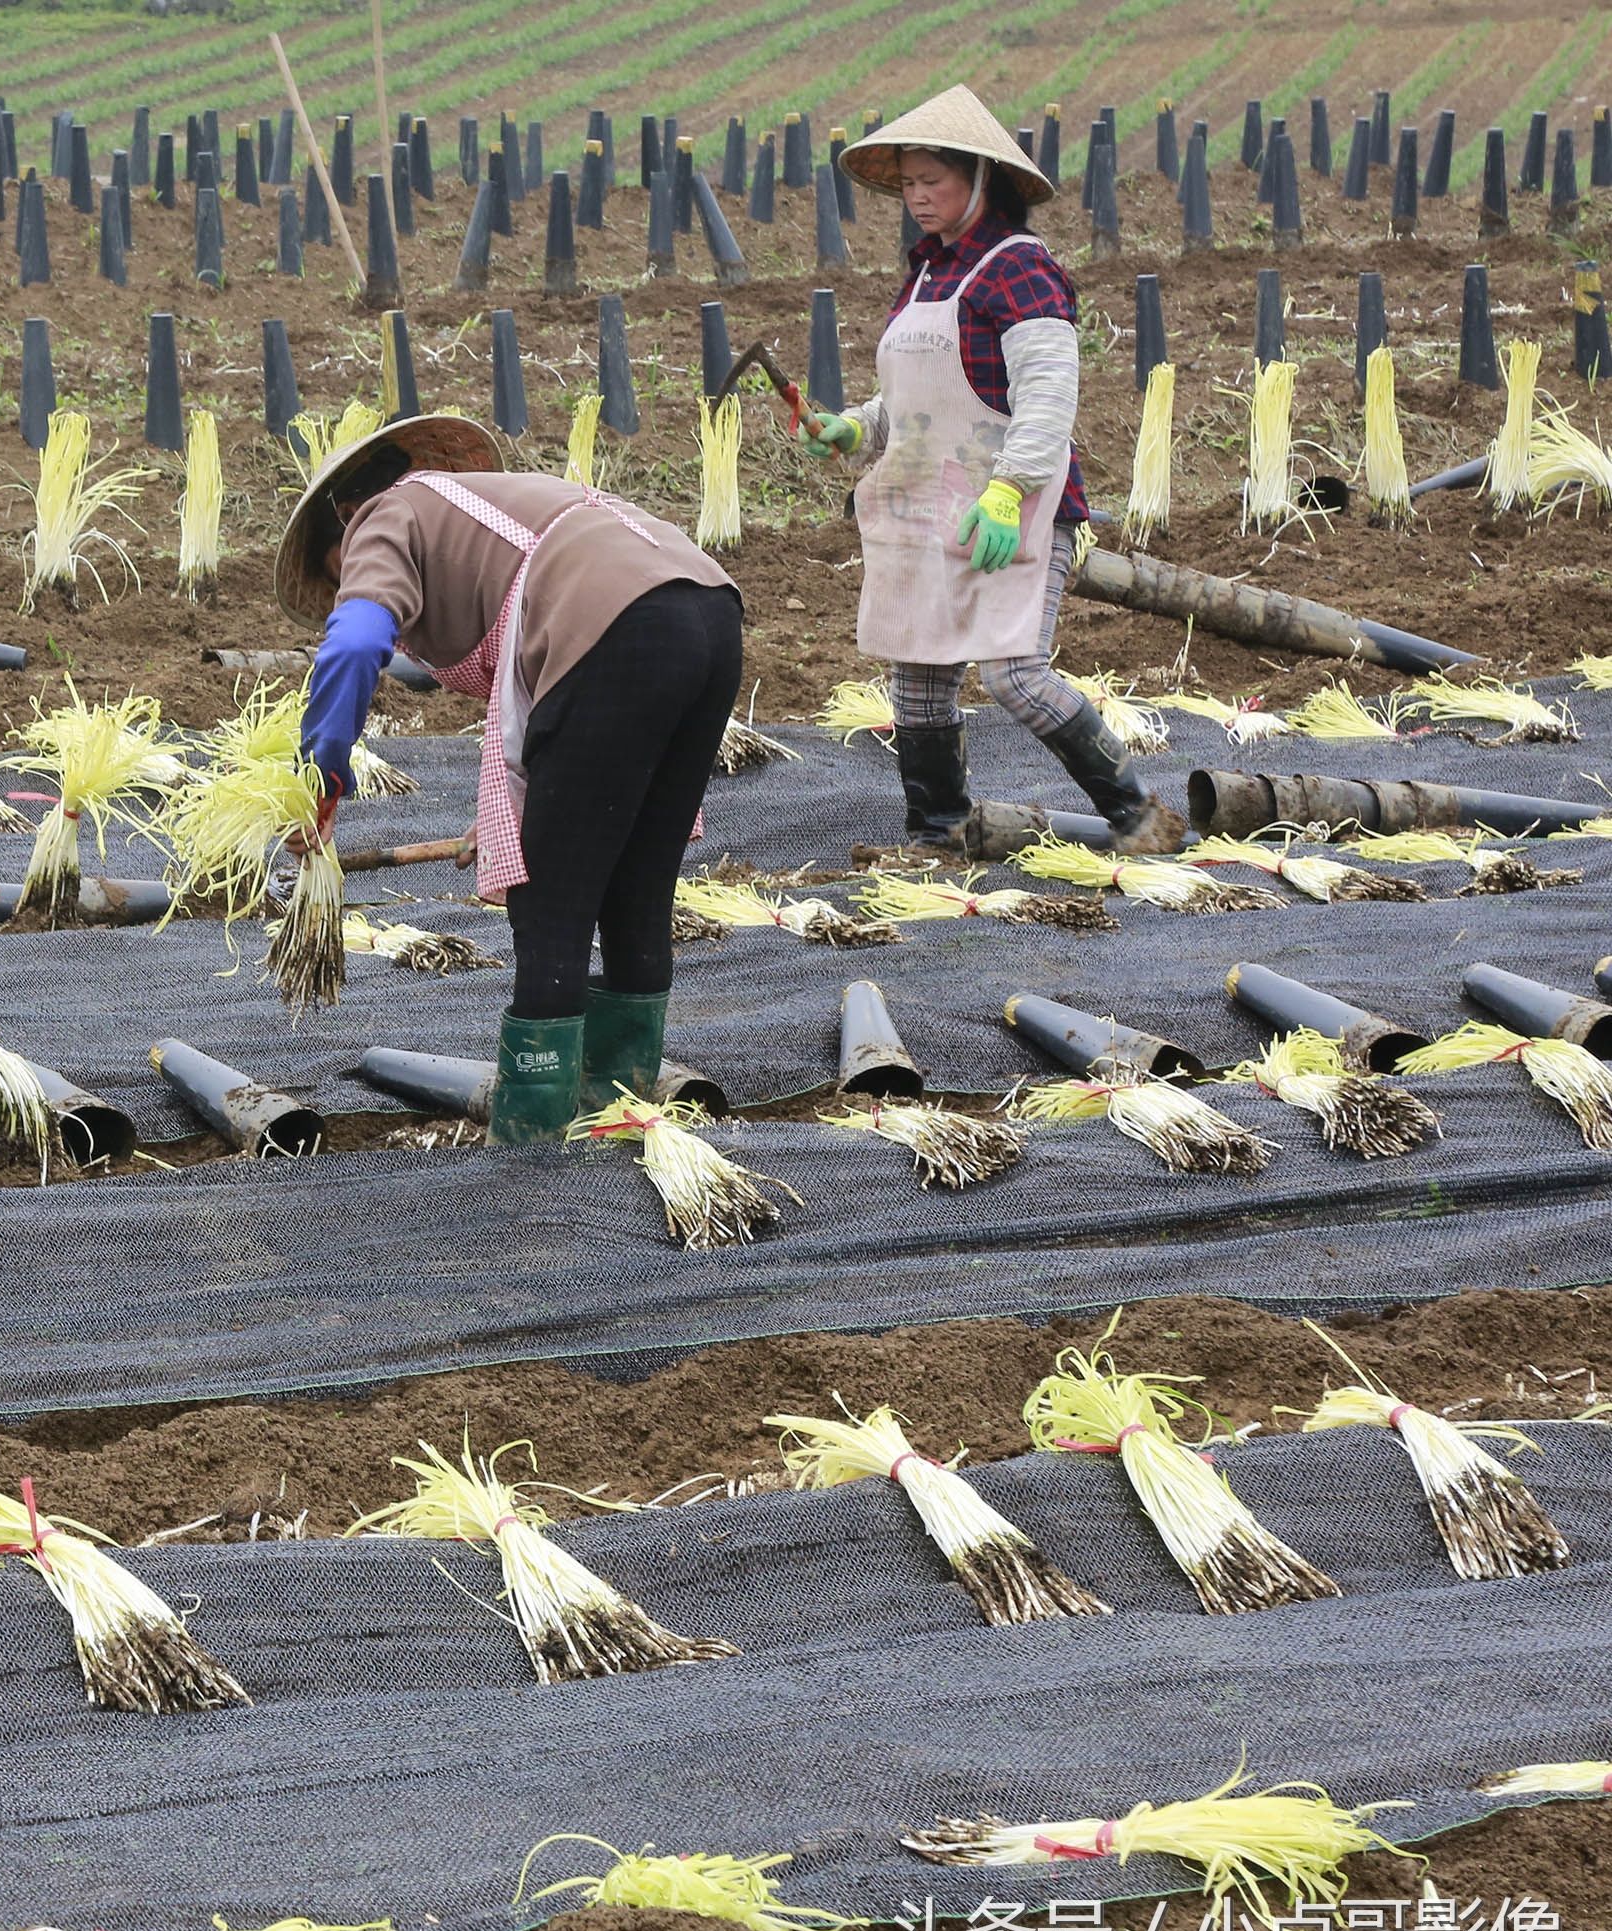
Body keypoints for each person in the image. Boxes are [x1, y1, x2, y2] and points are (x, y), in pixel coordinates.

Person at [283, 414, 743, 1145]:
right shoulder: (495, 506)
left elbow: (356, 644)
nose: (368, 586)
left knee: (548, 903)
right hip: (711, 620)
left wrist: (321, 773)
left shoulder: (386, 513)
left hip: (616, 631)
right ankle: (617, 1110)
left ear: (346, 518)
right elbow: (546, 696)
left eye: (345, 574)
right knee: (635, 886)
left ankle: (531, 1141)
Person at [799, 85, 1182, 856]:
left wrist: (1007, 491)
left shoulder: (1021, 268)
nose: (915, 198)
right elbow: (916, 400)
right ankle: (938, 831)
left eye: (930, 182)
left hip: (1017, 505)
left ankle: (1141, 815)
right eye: (906, 184)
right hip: (929, 505)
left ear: (978, 178)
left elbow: (1047, 398)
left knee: (1015, 675)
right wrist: (855, 426)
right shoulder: (928, 273)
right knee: (918, 675)